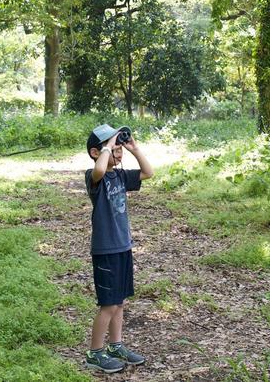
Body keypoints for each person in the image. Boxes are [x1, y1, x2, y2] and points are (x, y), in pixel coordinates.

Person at [83, 124, 154, 373]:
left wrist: (134, 148)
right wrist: (107, 148)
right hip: (105, 249)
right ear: (96, 152)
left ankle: (116, 345)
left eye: (119, 146)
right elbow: (100, 169)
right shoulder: (94, 177)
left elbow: (148, 172)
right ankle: (95, 353)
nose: (118, 150)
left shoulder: (121, 176)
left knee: (120, 301)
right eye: (113, 147)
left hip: (123, 246)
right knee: (108, 304)